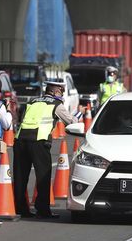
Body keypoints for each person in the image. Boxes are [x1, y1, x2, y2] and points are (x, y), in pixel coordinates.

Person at [13, 81, 82, 218]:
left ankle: (21, 209)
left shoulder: (32, 102)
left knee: (20, 177)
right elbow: (72, 122)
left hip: (20, 140)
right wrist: (79, 116)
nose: (61, 95)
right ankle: (43, 210)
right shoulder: (56, 104)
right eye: (61, 92)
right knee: (43, 176)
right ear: (56, 91)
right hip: (39, 141)